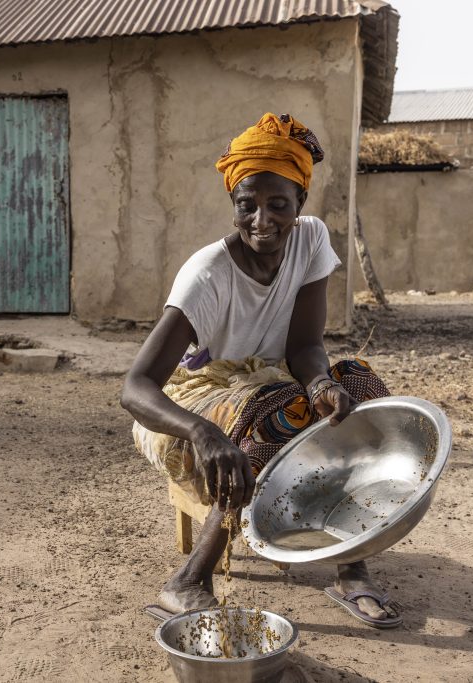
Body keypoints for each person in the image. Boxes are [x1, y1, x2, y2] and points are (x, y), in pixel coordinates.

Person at [120, 113, 401, 629]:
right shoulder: (206, 275)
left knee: (358, 384)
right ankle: (189, 581)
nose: (261, 220)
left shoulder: (311, 240)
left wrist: (320, 382)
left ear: (300, 205)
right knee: (283, 415)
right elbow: (136, 388)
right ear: (233, 204)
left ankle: (352, 564)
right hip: (192, 399)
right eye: (246, 205)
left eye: (278, 205)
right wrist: (201, 431)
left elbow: (306, 345)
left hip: (272, 382)